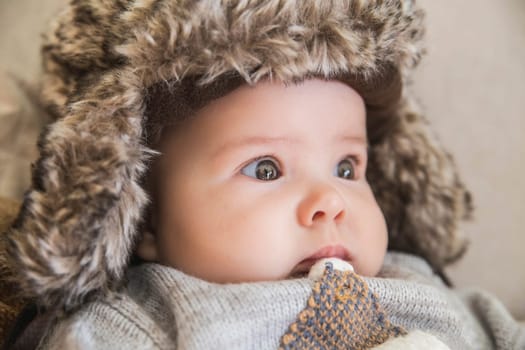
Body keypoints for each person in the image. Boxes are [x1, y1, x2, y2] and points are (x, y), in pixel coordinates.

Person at [3, 0, 524, 349]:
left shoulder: (411, 280)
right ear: (148, 220)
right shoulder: (140, 316)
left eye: (347, 167)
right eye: (267, 168)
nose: (331, 201)